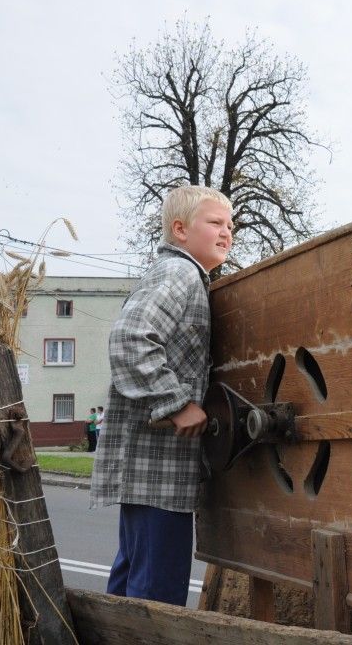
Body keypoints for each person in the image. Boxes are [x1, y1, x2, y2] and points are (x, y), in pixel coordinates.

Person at [90, 185, 233, 606]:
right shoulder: (179, 274)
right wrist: (177, 404)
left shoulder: (184, 276)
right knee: (157, 598)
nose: (227, 231)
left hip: (151, 473)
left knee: (130, 591)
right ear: (180, 230)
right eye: (215, 222)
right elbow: (131, 338)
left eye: (230, 224)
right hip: (158, 472)